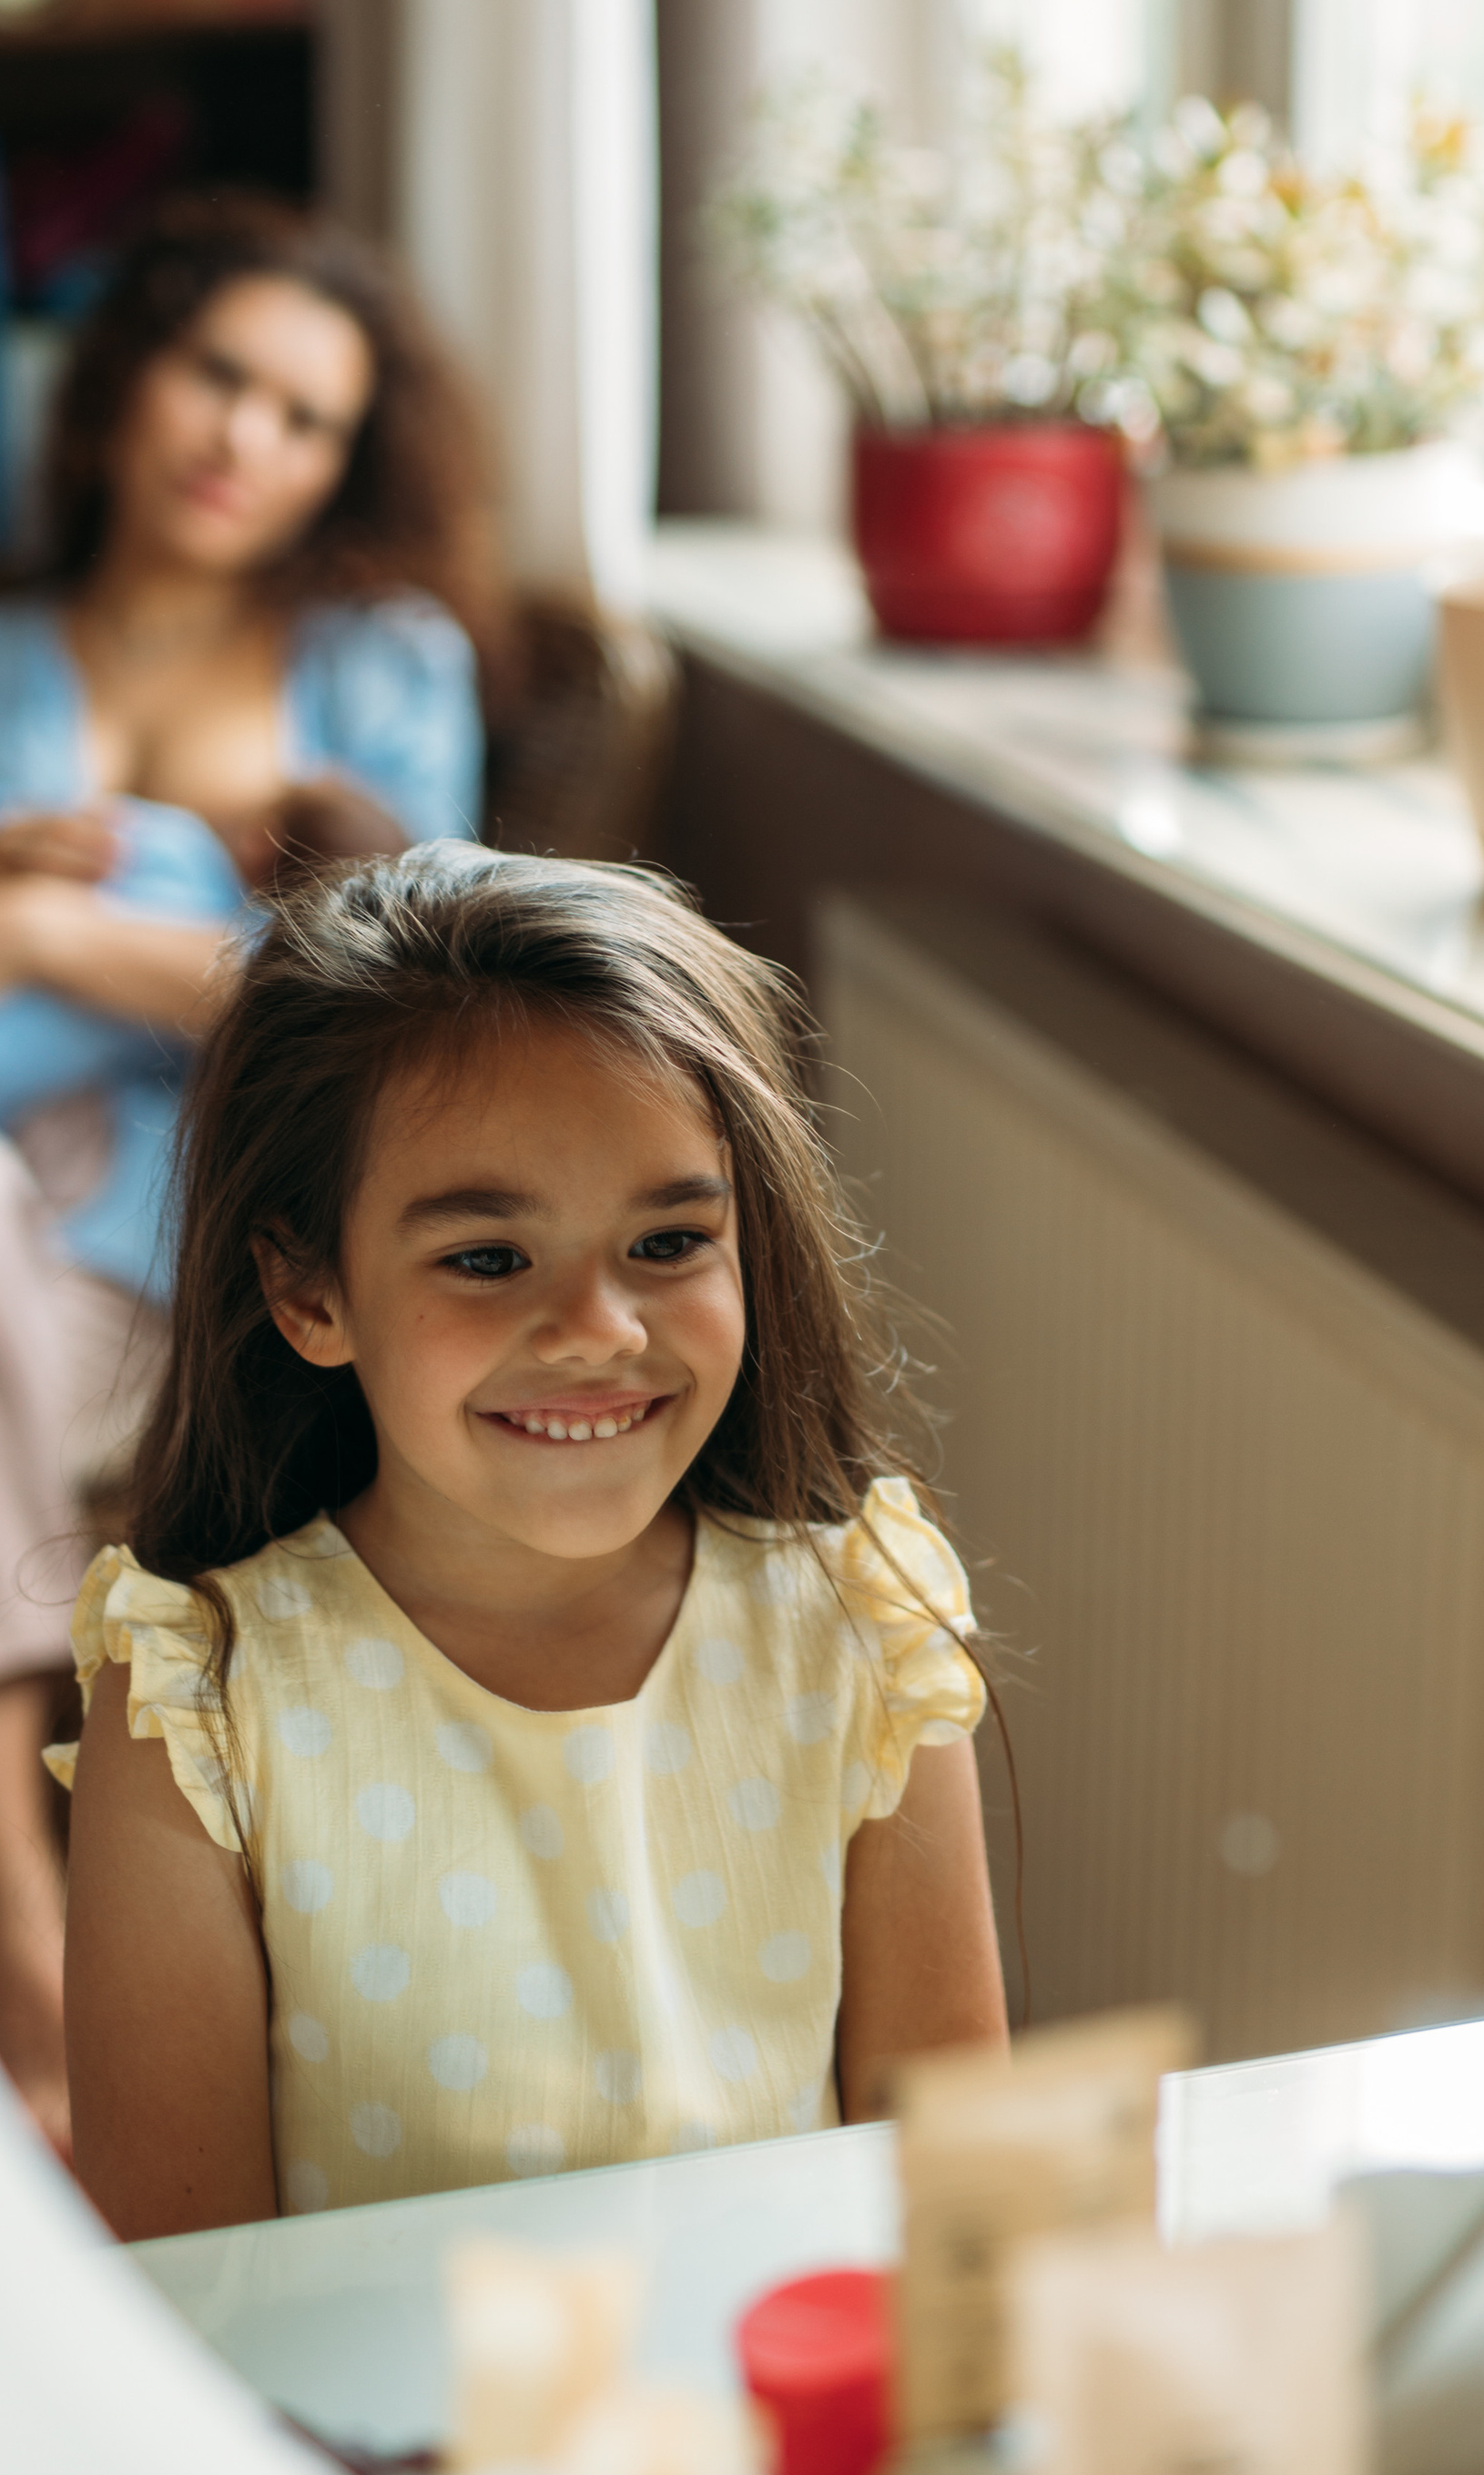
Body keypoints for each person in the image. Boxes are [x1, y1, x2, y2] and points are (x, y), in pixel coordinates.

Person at [0, 195, 503, 2158]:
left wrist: (57, 945)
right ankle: (15, 1930)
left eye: (305, 417)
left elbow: (429, 1002)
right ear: (122, 385)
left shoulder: (379, 669)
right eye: (215, 376)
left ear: (344, 464)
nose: (246, 440)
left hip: (126, 1287)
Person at [55, 841, 1010, 2240]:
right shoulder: (199, 1708)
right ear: (307, 1290)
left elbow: (956, 2228)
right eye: (489, 1259)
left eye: (671, 1244)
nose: (599, 1331)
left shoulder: (862, 1638)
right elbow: (200, 2306)